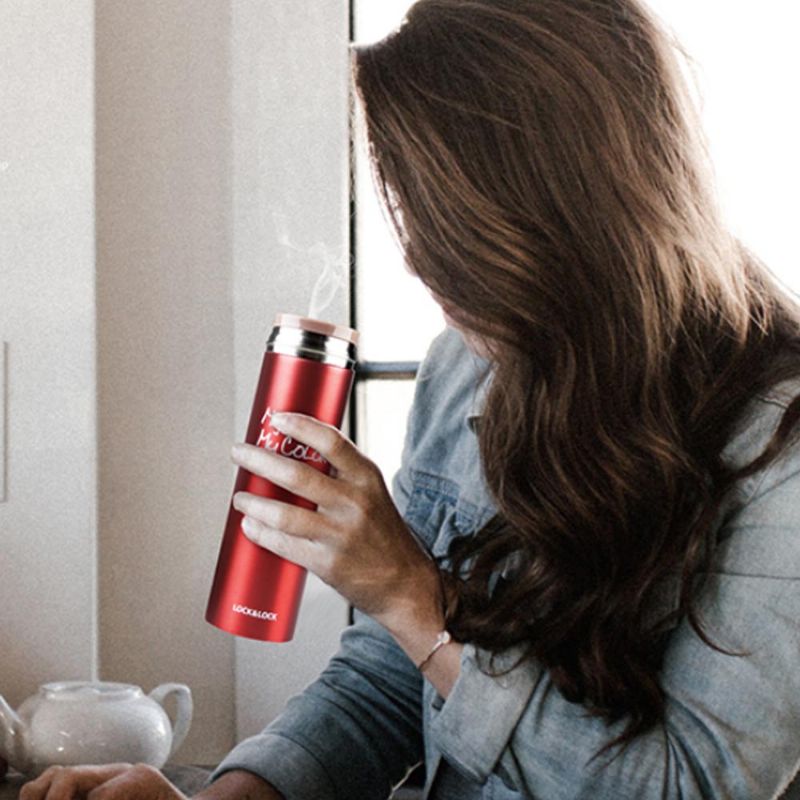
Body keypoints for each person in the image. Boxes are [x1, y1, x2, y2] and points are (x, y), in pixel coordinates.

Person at [20, 0, 800, 798]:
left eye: (445, 228)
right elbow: (393, 679)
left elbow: (688, 786)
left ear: (549, 209)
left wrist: (412, 594)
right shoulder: (468, 366)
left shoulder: (779, 443)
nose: (425, 271)